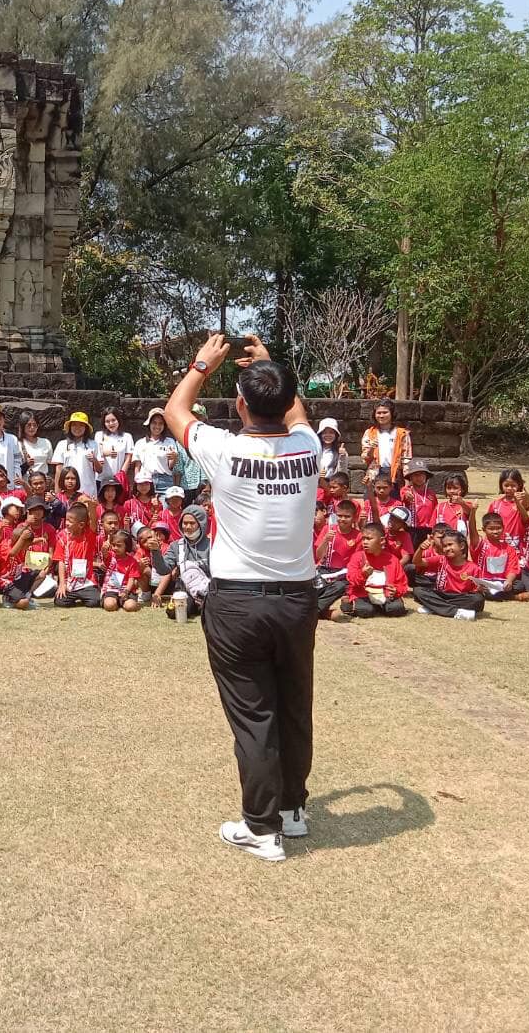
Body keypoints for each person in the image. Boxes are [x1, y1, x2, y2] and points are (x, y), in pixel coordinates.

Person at [165, 332, 319, 864]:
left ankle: (261, 827)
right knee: (293, 705)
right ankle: (293, 809)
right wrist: (271, 365)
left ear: (240, 406)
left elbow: (175, 410)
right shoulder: (309, 448)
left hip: (238, 602)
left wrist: (201, 364)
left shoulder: (224, 449)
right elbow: (296, 413)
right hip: (297, 600)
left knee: (255, 716)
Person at [412, 532, 486, 620]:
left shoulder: (473, 568)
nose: (447, 548)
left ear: (462, 546)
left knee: (478, 599)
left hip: (460, 597)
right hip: (441, 594)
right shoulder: (441, 559)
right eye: (444, 546)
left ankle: (434, 607)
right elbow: (417, 562)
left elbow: (476, 591)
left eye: (450, 544)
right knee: (418, 591)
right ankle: (455, 612)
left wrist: (480, 589)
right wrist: (420, 549)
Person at [341, 522, 409, 618]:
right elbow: (351, 579)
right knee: (365, 611)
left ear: (381, 540)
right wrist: (363, 574)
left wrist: (396, 590)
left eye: (369, 539)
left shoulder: (392, 559)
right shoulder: (357, 557)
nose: (365, 542)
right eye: (363, 538)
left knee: (396, 609)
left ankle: (379, 606)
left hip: (385, 594)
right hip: (363, 593)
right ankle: (350, 602)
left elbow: (402, 583)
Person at [360, 399, 411, 488]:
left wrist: (407, 482)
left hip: (395, 474)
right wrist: (371, 448)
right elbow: (366, 459)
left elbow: (406, 459)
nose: (381, 416)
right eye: (378, 413)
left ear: (392, 414)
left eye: (385, 412)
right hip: (374, 474)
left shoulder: (402, 434)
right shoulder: (369, 433)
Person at [130, 408, 179, 496]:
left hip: (165, 481)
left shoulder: (169, 442)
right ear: (149, 424)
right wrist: (136, 482)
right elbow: (138, 466)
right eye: (154, 423)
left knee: (165, 504)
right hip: (146, 481)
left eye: (160, 423)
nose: (157, 426)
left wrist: (174, 458)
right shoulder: (140, 443)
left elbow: (171, 466)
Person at [52, 411, 102, 494]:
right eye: (74, 425)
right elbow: (59, 470)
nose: (77, 428)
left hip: (88, 490)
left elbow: (100, 470)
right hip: (67, 491)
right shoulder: (62, 444)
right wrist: (57, 492)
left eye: (81, 425)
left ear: (86, 428)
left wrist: (94, 460)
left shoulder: (93, 444)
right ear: (70, 427)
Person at [95, 409, 134, 488]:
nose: (111, 424)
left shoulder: (127, 436)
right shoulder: (99, 435)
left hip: (118, 479)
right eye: (107, 421)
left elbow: (128, 457)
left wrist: (121, 474)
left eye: (113, 420)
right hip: (101, 478)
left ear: (118, 420)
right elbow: (96, 453)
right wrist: (106, 453)